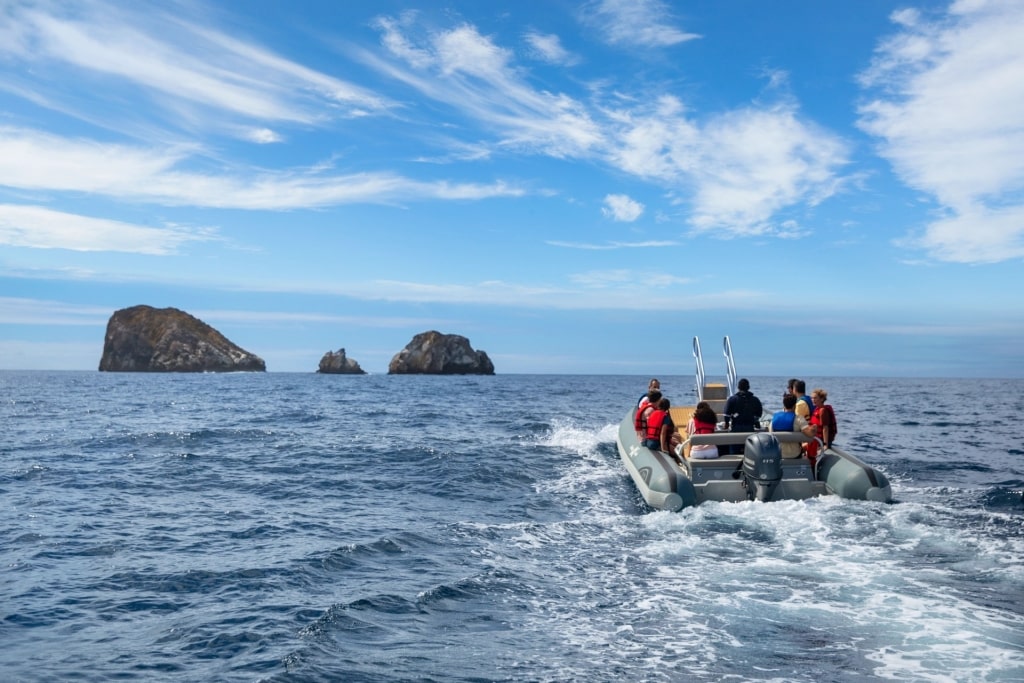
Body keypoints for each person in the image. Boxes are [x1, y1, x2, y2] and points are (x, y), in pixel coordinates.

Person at [723, 378, 763, 454]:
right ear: (748, 387)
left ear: (738, 387)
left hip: (736, 428)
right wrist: (755, 420)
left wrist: (727, 423)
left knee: (734, 450)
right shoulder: (755, 400)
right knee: (750, 450)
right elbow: (759, 413)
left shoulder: (732, 399)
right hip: (750, 428)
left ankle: (733, 461)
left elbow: (726, 414)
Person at [769, 394, 815, 458]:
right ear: (794, 406)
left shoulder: (774, 419)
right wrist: (814, 428)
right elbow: (810, 434)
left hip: (779, 454)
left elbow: (771, 435)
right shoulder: (799, 419)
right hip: (795, 454)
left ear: (784, 405)